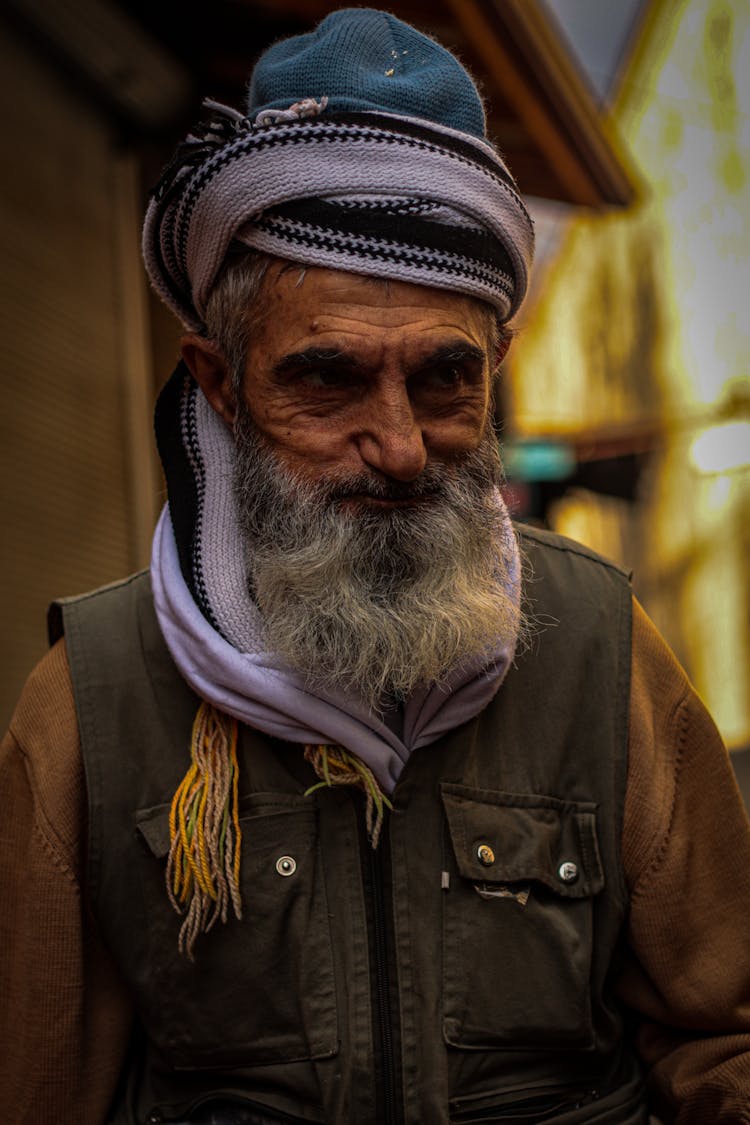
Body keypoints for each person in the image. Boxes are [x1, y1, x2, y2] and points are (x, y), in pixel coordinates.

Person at [1, 8, 749, 1124]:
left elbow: (722, 1041)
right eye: (328, 379)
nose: (400, 447)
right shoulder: (93, 702)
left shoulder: (601, 648)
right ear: (218, 382)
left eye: (445, 379)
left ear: (496, 367)